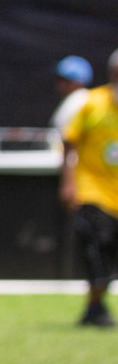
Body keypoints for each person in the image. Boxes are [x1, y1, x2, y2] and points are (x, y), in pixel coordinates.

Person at [61, 48, 118, 328]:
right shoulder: (93, 104)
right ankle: (96, 306)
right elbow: (68, 141)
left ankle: (94, 308)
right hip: (94, 192)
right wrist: (69, 182)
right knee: (98, 251)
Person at [50, 55, 92, 151]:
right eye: (59, 79)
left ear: (78, 81)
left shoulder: (81, 99)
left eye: (65, 80)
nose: (60, 84)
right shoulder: (75, 98)